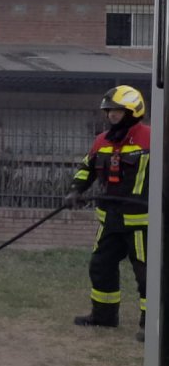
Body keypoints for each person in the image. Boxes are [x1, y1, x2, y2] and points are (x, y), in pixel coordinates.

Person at [64, 85, 150, 342]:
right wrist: (75, 191)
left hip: (141, 223)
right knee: (100, 266)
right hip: (109, 220)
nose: (112, 115)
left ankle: (150, 324)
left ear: (133, 111)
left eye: (117, 111)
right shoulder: (101, 141)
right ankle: (104, 316)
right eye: (109, 111)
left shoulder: (151, 139)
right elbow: (86, 169)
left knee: (145, 274)